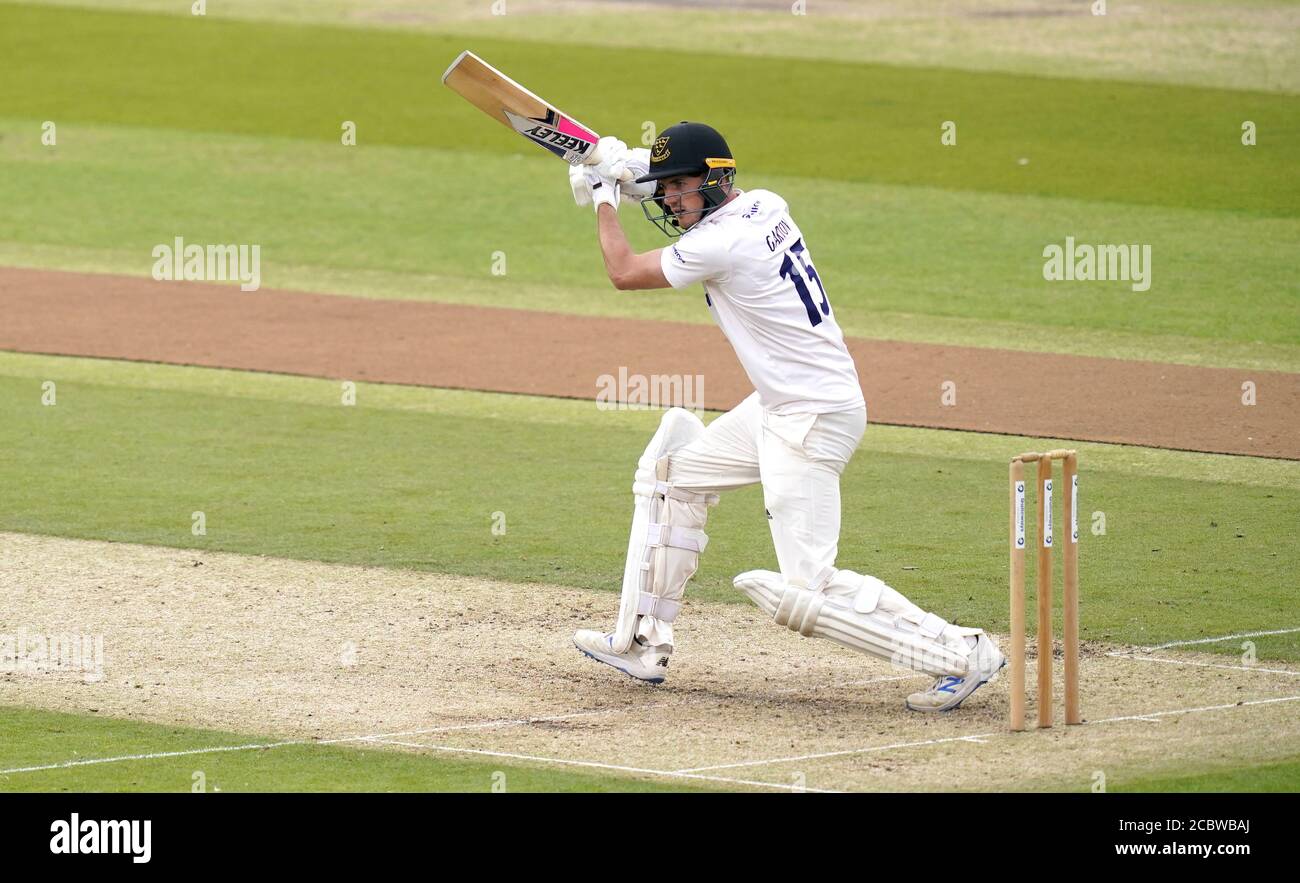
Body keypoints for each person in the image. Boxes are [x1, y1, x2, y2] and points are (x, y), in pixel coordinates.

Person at [567, 121, 1004, 713]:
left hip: (810, 418)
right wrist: (625, 170)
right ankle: (642, 640)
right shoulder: (765, 204)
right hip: (784, 406)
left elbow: (623, 271)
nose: (670, 199)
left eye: (679, 188)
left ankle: (962, 654)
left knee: (808, 589)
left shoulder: (716, 245)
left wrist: (603, 198)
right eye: (665, 187)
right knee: (672, 475)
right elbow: (682, 191)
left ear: (715, 182)